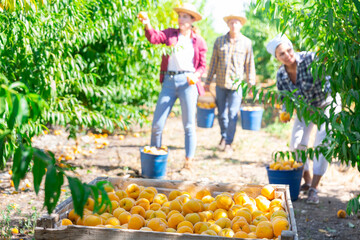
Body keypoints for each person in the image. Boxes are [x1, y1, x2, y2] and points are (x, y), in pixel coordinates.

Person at [266, 34, 341, 204]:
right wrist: (284, 112)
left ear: (293, 48)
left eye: (288, 50)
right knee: (296, 142)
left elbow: (329, 79)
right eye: (282, 54)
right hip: (305, 109)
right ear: (277, 58)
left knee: (322, 145)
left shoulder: (310, 59)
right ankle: (306, 181)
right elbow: (285, 98)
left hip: (326, 104)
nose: (287, 55)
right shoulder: (281, 75)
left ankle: (314, 188)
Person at [137, 3, 207, 168]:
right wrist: (147, 23)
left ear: (191, 20)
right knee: (157, 123)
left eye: (184, 16)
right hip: (169, 81)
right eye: (179, 15)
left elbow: (202, 66)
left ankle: (188, 161)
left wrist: (196, 75)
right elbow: (154, 38)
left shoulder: (198, 41)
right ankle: (154, 158)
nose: (180, 19)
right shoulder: (170, 33)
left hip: (188, 83)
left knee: (189, 125)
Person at [205, 14, 256, 153]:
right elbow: (213, 62)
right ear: (228, 25)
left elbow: (249, 65)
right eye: (231, 22)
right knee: (221, 113)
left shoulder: (246, 43)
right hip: (221, 84)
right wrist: (208, 81)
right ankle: (223, 136)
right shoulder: (219, 41)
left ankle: (228, 142)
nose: (234, 25)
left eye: (236, 23)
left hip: (236, 86)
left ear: (240, 25)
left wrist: (251, 85)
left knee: (233, 113)